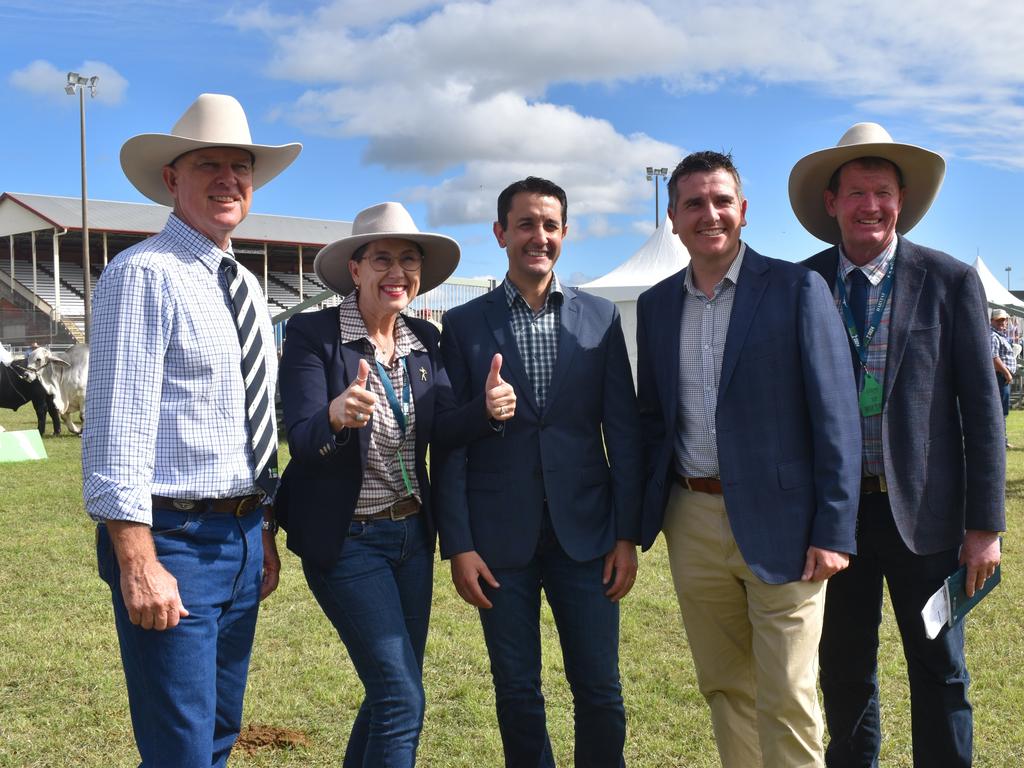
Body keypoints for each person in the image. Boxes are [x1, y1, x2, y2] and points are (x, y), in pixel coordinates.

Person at [82, 93, 301, 766]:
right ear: (172, 179)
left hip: (237, 536)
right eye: (209, 164)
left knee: (217, 733)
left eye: (241, 166)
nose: (228, 179)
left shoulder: (240, 283)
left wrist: (258, 528)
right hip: (173, 541)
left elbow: (247, 421)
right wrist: (138, 560)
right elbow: (117, 426)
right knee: (180, 747)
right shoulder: (144, 274)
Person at [635, 151, 862, 768]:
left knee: (787, 690)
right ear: (673, 220)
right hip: (692, 516)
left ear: (742, 211)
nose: (709, 214)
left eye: (721, 201)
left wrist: (835, 528)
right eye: (693, 204)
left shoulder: (797, 289)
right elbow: (653, 420)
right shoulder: (656, 307)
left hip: (785, 523)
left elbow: (836, 415)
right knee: (725, 685)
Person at [790, 122, 1005, 767]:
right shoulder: (801, 288)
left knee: (941, 675)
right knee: (845, 673)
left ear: (901, 201)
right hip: (836, 522)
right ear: (831, 203)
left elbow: (983, 411)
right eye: (856, 192)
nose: (870, 206)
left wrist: (984, 527)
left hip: (930, 523)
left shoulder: (950, 282)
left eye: (882, 192)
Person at [275, 202, 511, 766]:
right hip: (346, 542)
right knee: (402, 699)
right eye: (382, 258)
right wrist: (335, 413)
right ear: (355, 269)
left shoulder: (425, 340)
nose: (397, 271)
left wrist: (485, 409)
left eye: (409, 259)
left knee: (391, 694)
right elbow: (302, 439)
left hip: (410, 540)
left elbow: (444, 426)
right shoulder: (315, 335)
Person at [434, 177, 643, 767]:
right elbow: (450, 444)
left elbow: (622, 433)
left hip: (588, 535)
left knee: (601, 690)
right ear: (500, 233)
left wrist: (626, 534)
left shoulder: (600, 318)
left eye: (550, 225)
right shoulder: (466, 325)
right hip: (500, 540)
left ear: (565, 234)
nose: (539, 236)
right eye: (525, 224)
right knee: (517, 690)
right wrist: (460, 545)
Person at [991, 308, 1017, 448]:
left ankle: (1002, 441)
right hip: (1000, 377)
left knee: (1002, 411)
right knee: (999, 410)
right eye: (999, 320)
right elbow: (993, 357)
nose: (1003, 322)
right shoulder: (993, 336)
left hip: (1003, 378)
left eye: (1004, 320)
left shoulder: (999, 335)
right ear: (992, 320)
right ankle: (999, 442)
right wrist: (1006, 373)